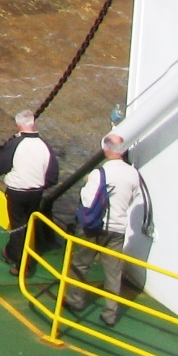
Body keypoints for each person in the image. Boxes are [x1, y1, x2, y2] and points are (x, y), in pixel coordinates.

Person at [64, 132, 142, 326]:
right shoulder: (133, 173)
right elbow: (133, 197)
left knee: (81, 263)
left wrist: (86, 184)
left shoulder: (99, 173)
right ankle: (110, 314)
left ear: (106, 149)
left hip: (95, 227)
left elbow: (87, 201)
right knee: (113, 273)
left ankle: (75, 301)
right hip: (118, 230)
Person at [0, 110, 59, 272]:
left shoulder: (15, 144)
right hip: (36, 193)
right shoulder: (45, 146)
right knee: (26, 224)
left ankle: (21, 264)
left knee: (18, 225)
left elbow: (0, 167)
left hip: (17, 191)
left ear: (18, 125)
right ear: (33, 123)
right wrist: (38, 184)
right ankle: (11, 252)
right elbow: (53, 176)